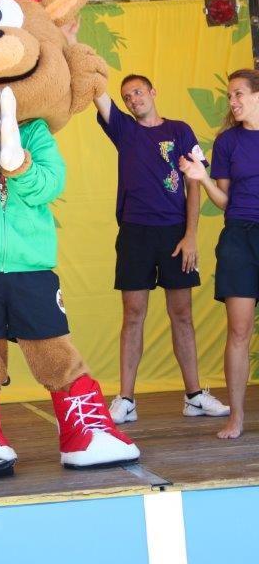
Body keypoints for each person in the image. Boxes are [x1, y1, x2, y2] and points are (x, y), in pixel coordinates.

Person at [93, 74, 229, 423]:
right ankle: (126, 399)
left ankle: (194, 396)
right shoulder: (124, 129)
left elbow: (194, 182)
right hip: (135, 233)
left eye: (138, 92)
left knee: (182, 313)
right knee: (133, 314)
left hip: (174, 233)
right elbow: (97, 92)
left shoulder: (180, 130)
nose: (133, 99)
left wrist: (191, 235)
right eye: (127, 96)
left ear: (153, 92)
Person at [179, 68, 259, 438]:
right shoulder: (227, 142)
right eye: (229, 96)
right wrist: (202, 178)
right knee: (239, 331)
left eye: (238, 94)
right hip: (239, 238)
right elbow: (224, 200)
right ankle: (237, 417)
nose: (232, 101)